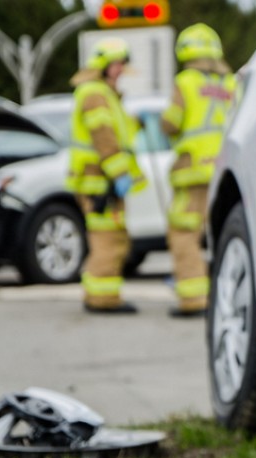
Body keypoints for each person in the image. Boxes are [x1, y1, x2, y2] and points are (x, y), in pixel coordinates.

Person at [161, 23, 237, 318]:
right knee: (220, 235)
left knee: (183, 232)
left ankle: (193, 299)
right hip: (224, 169)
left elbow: (172, 122)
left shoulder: (186, 81)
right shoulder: (230, 83)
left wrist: (159, 123)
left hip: (192, 170)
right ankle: (223, 297)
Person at [66, 37, 146, 314]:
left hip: (101, 180)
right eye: (116, 64)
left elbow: (116, 133)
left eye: (122, 64)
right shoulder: (95, 94)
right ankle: (103, 298)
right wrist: (119, 174)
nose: (121, 70)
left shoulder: (102, 93)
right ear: (103, 66)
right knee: (107, 240)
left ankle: (97, 293)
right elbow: (104, 137)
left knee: (109, 238)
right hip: (99, 182)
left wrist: (136, 123)